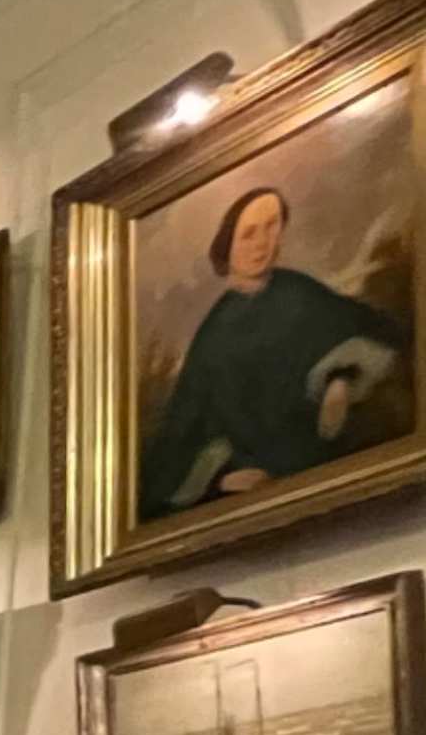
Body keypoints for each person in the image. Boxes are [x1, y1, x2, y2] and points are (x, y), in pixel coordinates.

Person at [138, 183, 408, 515]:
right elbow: (183, 436)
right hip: (260, 485)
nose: (262, 243)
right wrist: (221, 480)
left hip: (332, 467)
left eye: (271, 228)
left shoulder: (300, 292)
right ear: (226, 244)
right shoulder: (213, 335)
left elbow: (369, 327)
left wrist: (339, 379)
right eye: (249, 233)